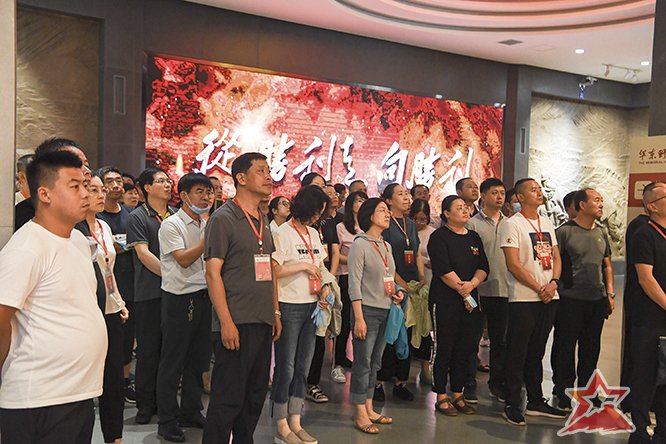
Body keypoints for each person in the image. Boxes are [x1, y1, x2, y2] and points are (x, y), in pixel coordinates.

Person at [0, 149, 107, 443]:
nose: (85, 193)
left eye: (85, 185)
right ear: (44, 194)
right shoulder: (27, 248)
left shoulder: (77, 239)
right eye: (74, 186)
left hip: (77, 393)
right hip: (38, 399)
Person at [202, 153, 281, 444]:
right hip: (236, 321)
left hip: (262, 319)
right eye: (261, 170)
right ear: (241, 178)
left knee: (255, 395)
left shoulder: (263, 219)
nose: (268, 176)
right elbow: (213, 274)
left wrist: (275, 312)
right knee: (227, 399)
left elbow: (269, 268)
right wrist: (225, 322)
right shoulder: (223, 218)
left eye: (268, 170)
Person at [500, 178, 567, 426]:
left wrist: (554, 283)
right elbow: (513, 264)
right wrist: (539, 287)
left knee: (537, 351)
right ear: (519, 197)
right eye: (533, 189)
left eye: (539, 189)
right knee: (518, 351)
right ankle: (512, 402)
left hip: (549, 296)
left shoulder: (547, 222)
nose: (539, 192)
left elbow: (556, 257)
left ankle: (536, 400)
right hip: (524, 298)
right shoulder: (512, 224)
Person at [155, 173, 213, 442]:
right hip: (178, 301)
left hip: (203, 297)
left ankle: (191, 410)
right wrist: (207, 238)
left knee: (198, 360)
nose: (206, 197)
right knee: (173, 362)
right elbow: (184, 259)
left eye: (209, 192)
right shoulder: (171, 225)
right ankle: (167, 420)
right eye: (200, 191)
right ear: (184, 196)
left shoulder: (206, 223)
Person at [271, 185, 330, 444]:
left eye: (321, 212)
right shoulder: (281, 233)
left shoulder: (314, 233)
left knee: (303, 367)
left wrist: (325, 287)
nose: (318, 216)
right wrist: (302, 266)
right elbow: (274, 270)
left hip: (313, 305)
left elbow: (321, 267)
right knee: (286, 367)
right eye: (316, 211)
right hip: (289, 305)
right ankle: (281, 424)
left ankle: (295, 420)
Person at [77, 172, 129, 444]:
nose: (101, 195)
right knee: (87, 378)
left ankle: (115, 437)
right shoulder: (74, 230)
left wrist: (119, 301)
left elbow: (109, 270)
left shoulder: (104, 226)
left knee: (114, 379)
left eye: (102, 190)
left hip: (111, 309)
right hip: (87, 312)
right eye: (94, 190)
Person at [553, 188, 614, 411]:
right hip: (569, 299)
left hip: (596, 300)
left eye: (601, 200)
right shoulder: (564, 232)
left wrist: (609, 293)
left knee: (591, 348)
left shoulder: (602, 232)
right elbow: (555, 264)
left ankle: (588, 392)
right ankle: (563, 391)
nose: (601, 204)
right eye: (596, 200)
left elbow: (607, 265)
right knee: (565, 347)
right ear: (582, 205)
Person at [427, 195, 488, 417]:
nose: (464, 210)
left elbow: (483, 267)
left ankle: (457, 392)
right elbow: (443, 269)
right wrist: (464, 290)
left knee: (465, 347)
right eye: (459, 207)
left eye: (465, 207)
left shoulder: (473, 237)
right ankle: (440, 394)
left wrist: (471, 285)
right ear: (446, 213)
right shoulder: (439, 237)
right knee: (444, 346)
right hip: (445, 299)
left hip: (470, 301)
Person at [348, 198, 405, 434]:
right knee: (362, 363)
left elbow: (388, 277)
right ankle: (360, 411)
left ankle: (369, 406)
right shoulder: (359, 244)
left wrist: (397, 292)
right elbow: (354, 284)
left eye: (387, 211)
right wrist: (358, 317)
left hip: (385, 308)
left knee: (375, 362)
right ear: (369, 215)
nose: (387, 214)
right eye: (382, 210)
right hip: (367, 311)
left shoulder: (386, 246)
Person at [127, 168, 177, 424]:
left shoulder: (176, 215)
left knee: (171, 351)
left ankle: (166, 402)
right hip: (149, 292)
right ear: (146, 187)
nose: (167, 184)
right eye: (161, 181)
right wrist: (171, 276)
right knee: (148, 351)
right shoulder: (138, 217)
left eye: (168, 181)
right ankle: (145, 404)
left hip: (176, 293)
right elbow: (143, 254)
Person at [375, 183, 427, 402]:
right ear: (388, 201)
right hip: (392, 285)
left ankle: (401, 382)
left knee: (407, 332)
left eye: (407, 194)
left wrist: (421, 277)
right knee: (390, 332)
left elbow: (416, 253)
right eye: (400, 194)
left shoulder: (410, 224)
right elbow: (384, 259)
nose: (406, 198)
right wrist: (401, 284)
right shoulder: (385, 224)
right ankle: (379, 382)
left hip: (412, 285)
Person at [626, 183, 666, 444]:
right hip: (649, 318)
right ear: (652, 206)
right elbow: (646, 279)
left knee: (664, 377)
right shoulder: (644, 233)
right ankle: (640, 430)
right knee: (645, 375)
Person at [466, 178, 509, 402]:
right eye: (494, 193)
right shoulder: (472, 224)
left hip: (505, 289)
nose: (499, 197)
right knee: (471, 340)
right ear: (483, 196)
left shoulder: (511, 223)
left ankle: (497, 383)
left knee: (500, 341)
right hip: (479, 291)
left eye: (502, 193)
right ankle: (468, 383)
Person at [98, 166, 137, 404]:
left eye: (119, 180)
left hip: (129, 284)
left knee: (127, 337)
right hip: (104, 288)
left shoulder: (131, 215)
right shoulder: (96, 217)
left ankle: (123, 383)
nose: (116, 185)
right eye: (110, 181)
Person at [306, 184, 340, 403]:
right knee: (296, 344)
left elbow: (327, 256)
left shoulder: (324, 226)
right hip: (297, 292)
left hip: (321, 286)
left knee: (319, 339)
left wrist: (328, 281)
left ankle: (312, 383)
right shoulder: (289, 228)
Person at [14, 138, 90, 231]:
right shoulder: (25, 218)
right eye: (75, 186)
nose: (87, 171)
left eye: (87, 165)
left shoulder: (77, 218)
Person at [332, 191, 368, 383]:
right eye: (358, 201)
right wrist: (357, 260)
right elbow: (336, 254)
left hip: (366, 279)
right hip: (347, 277)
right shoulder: (341, 227)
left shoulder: (369, 227)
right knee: (345, 321)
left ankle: (361, 362)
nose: (361, 204)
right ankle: (338, 361)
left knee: (363, 320)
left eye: (364, 200)